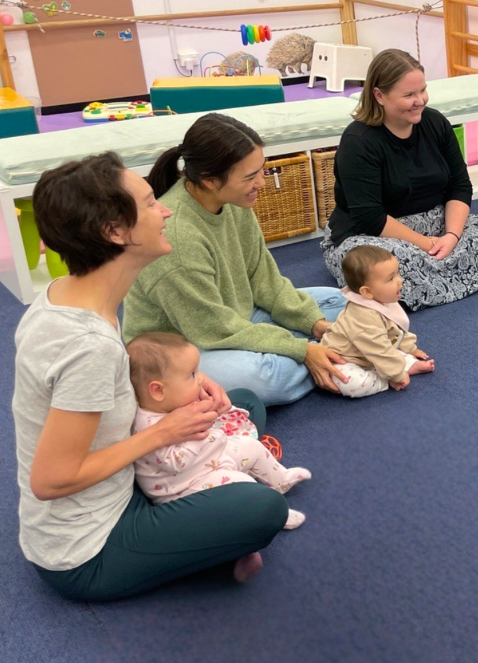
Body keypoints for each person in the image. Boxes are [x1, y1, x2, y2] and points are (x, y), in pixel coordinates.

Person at [14, 153, 288, 602]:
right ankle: (224, 487)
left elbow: (95, 382)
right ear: (114, 232)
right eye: (149, 203)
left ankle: (216, 472)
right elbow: (51, 480)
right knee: (265, 508)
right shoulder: (88, 344)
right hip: (89, 551)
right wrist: (165, 431)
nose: (165, 210)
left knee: (239, 401)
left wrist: (190, 385)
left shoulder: (66, 297)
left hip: (124, 481)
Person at [123, 113, 349, 407]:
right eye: (249, 177)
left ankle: (322, 356)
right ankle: (334, 361)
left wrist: (314, 325)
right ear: (210, 180)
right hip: (186, 346)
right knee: (265, 377)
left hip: (237, 316)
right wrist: (302, 349)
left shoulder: (234, 200)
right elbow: (211, 327)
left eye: (262, 170)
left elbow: (263, 278)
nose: (262, 183)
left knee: (337, 303)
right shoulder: (177, 235)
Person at [321, 49, 478, 309]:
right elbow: (370, 218)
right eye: (409, 95)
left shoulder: (435, 123)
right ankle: (446, 277)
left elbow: (459, 186)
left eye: (422, 91)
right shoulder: (358, 142)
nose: (420, 101)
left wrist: (451, 235)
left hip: (434, 223)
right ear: (379, 96)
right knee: (385, 264)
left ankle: (422, 288)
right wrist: (426, 244)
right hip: (373, 234)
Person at [127, 333, 310, 529]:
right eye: (192, 375)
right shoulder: (146, 425)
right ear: (158, 391)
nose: (200, 380)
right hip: (185, 487)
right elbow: (176, 463)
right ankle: (275, 513)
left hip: (209, 460)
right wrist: (200, 429)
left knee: (251, 446)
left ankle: (280, 480)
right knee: (240, 482)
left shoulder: (172, 401)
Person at [320, 245, 435, 397]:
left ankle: (400, 365)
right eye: (390, 279)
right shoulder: (363, 316)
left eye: (397, 274)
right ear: (367, 292)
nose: (399, 281)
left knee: (391, 351)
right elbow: (379, 349)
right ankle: (384, 379)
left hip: (368, 353)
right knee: (351, 383)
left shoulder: (382, 298)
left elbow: (397, 329)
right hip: (343, 360)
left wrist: (410, 348)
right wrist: (396, 376)